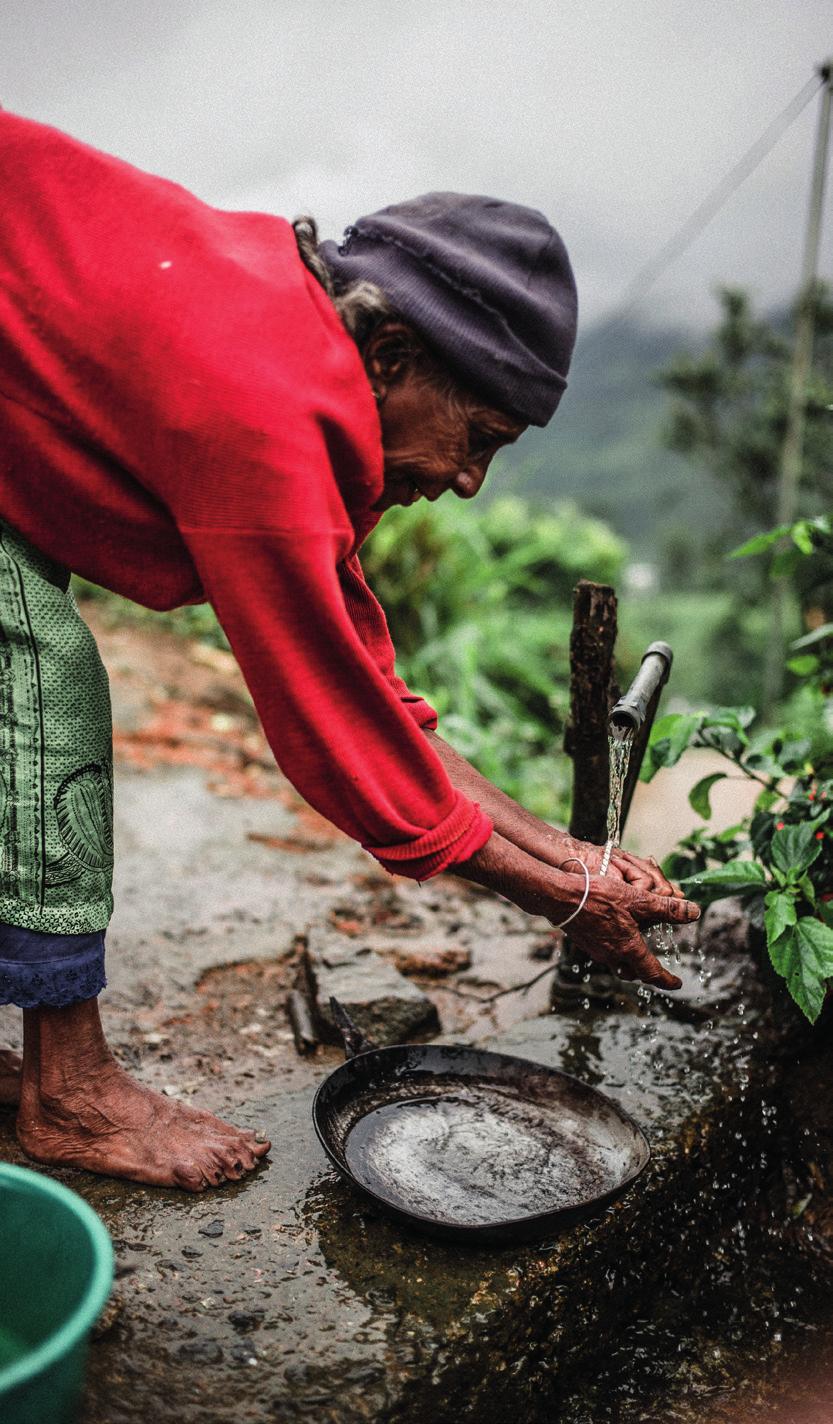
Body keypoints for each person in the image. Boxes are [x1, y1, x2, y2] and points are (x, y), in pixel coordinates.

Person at [0, 112, 698, 1192]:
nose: (470, 483)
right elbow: (334, 739)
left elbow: (370, 693)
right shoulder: (264, 411)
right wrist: (560, 901)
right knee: (38, 687)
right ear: (390, 355)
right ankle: (69, 1089)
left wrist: (569, 857)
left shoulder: (303, 364)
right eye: (479, 439)